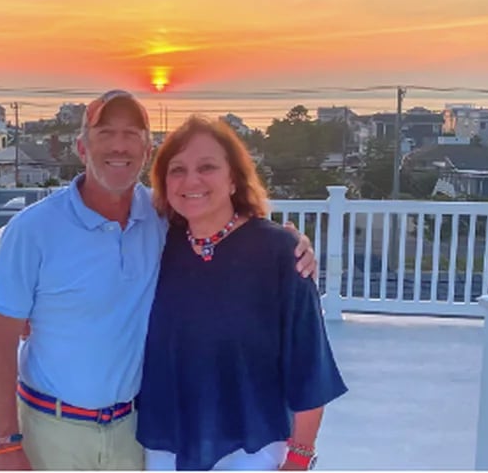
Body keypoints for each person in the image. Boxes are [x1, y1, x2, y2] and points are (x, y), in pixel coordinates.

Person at [0, 90, 318, 470]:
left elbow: (223, 229)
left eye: (132, 135)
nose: (119, 146)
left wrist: (292, 244)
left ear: (146, 151)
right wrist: (6, 446)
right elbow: (0, 340)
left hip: (133, 431)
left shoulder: (162, 218)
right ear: (81, 147)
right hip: (52, 430)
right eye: (105, 132)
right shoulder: (33, 229)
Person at [137, 115, 347, 471]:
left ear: (233, 178)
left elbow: (309, 364)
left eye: (207, 167)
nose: (191, 180)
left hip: (254, 448)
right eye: (177, 170)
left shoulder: (281, 253)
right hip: (166, 445)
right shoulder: (156, 244)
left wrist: (299, 456)